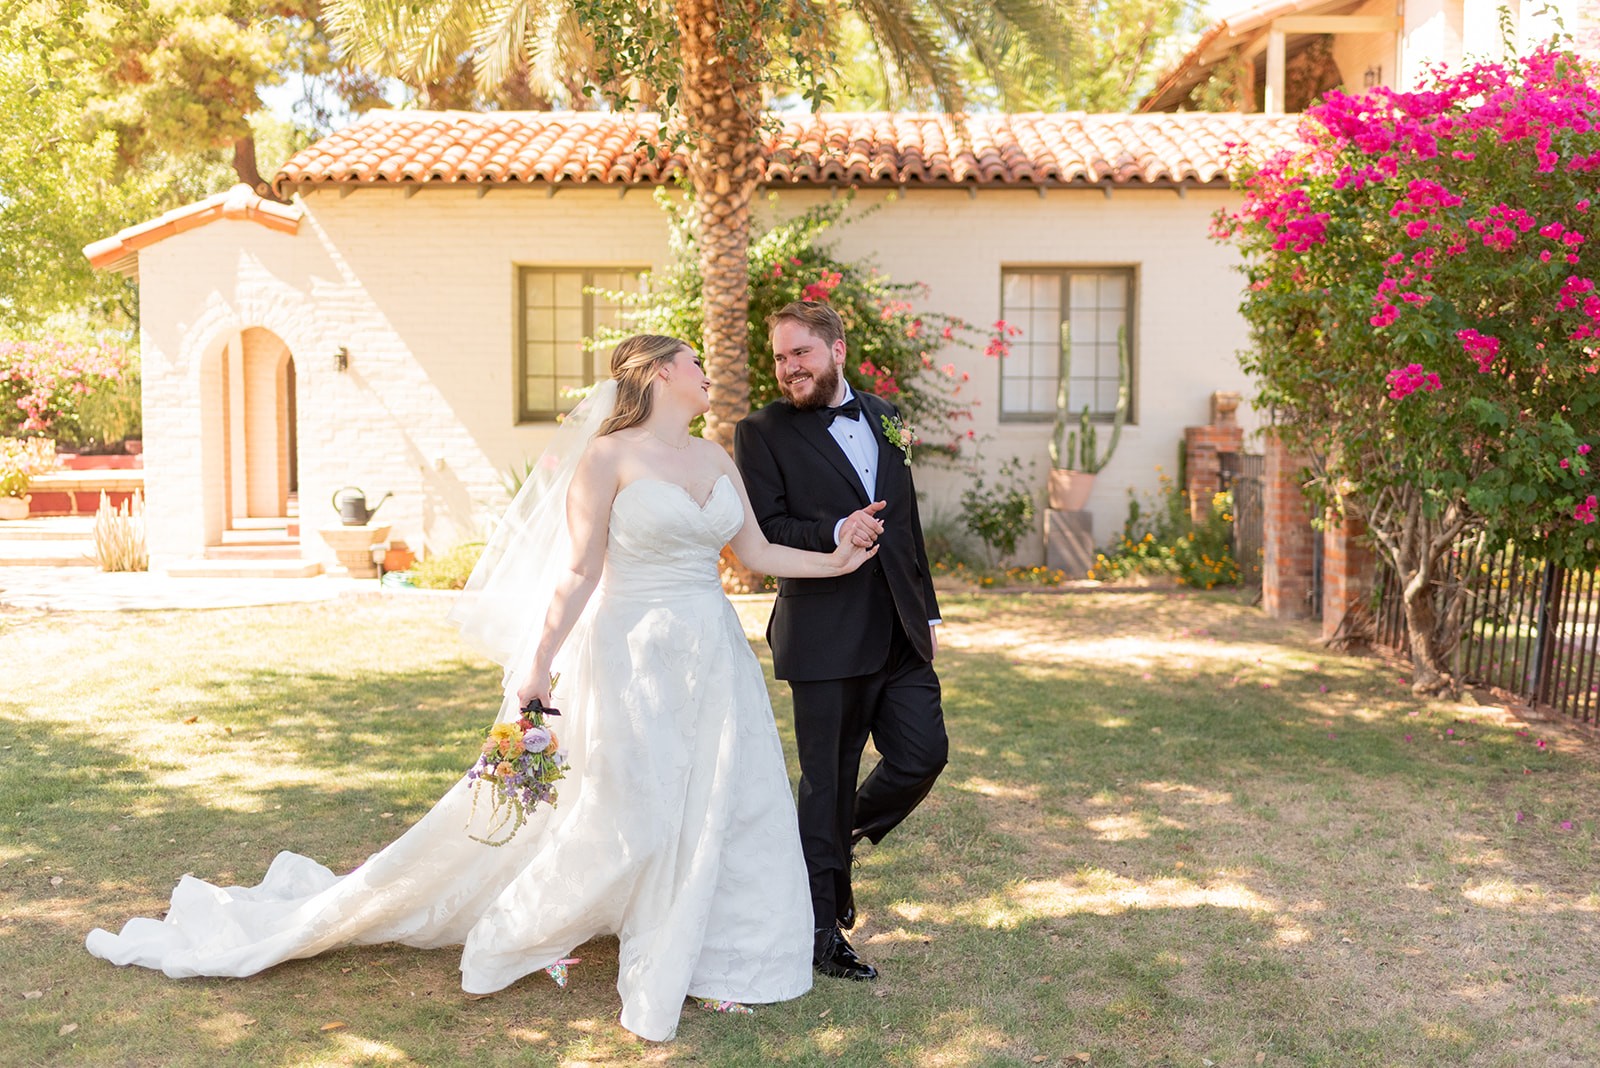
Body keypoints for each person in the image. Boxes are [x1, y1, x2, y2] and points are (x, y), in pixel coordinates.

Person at [85, 334, 879, 1042]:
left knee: (723, 802)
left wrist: (838, 556)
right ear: (664, 373)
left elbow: (759, 553)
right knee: (632, 807)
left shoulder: (715, 458)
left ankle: (720, 950)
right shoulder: (606, 459)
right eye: (696, 364)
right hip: (634, 652)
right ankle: (532, 924)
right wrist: (538, 665)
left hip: (713, 654)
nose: (710, 374)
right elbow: (577, 573)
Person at [733, 301, 949, 982]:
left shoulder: (887, 416)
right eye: (779, 357)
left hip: (899, 631)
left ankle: (839, 840)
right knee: (824, 780)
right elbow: (765, 528)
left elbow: (908, 524)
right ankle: (821, 936)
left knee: (922, 754)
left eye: (800, 353)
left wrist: (931, 615)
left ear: (835, 350)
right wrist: (836, 531)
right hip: (824, 636)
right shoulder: (760, 431)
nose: (787, 368)